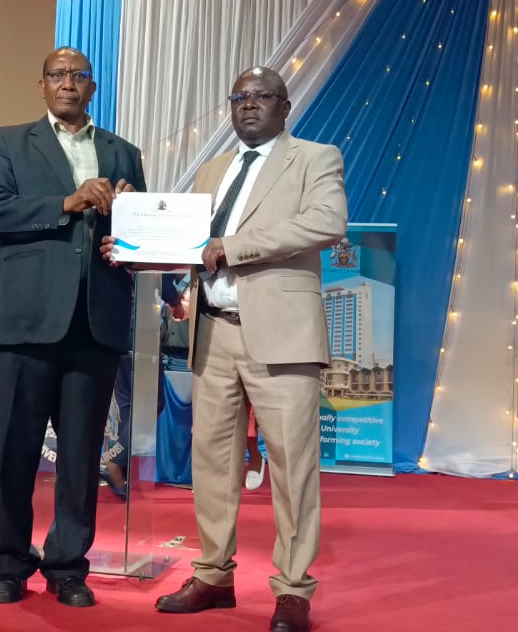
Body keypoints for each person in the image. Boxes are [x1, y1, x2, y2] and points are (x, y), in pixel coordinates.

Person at [107, 66, 344, 632]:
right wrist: (137, 247)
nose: (248, 105)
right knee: (211, 463)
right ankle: (213, 574)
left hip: (283, 334)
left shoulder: (314, 157)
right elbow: (191, 248)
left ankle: (292, 590)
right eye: (239, 97)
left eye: (262, 96)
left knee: (291, 468)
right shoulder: (214, 169)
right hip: (211, 331)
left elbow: (327, 222)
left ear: (285, 107)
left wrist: (231, 247)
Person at [0, 47, 147, 608]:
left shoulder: (123, 152)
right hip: (26, 321)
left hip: (95, 322)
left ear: (93, 88)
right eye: (58, 75)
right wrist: (68, 202)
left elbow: (143, 238)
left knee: (80, 456)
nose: (68, 83)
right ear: (41, 86)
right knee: (17, 449)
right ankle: (9, 563)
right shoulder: (7, 141)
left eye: (79, 76)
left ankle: (69, 566)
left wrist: (128, 229)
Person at [101, 274, 188, 500]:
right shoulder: (149, 241)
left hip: (115, 326)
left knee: (127, 404)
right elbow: (163, 279)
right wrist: (176, 301)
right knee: (152, 404)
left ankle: (120, 467)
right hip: (139, 330)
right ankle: (115, 462)